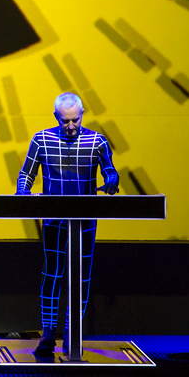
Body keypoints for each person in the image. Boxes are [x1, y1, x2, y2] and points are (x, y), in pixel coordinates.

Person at [15, 92, 118, 356]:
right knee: (53, 273)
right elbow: (27, 173)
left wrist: (112, 181)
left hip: (85, 219)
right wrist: (23, 193)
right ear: (56, 117)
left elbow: (110, 170)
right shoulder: (42, 139)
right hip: (54, 217)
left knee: (81, 276)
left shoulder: (97, 141)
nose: (71, 126)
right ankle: (49, 332)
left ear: (83, 114)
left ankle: (74, 332)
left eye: (75, 120)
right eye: (65, 121)